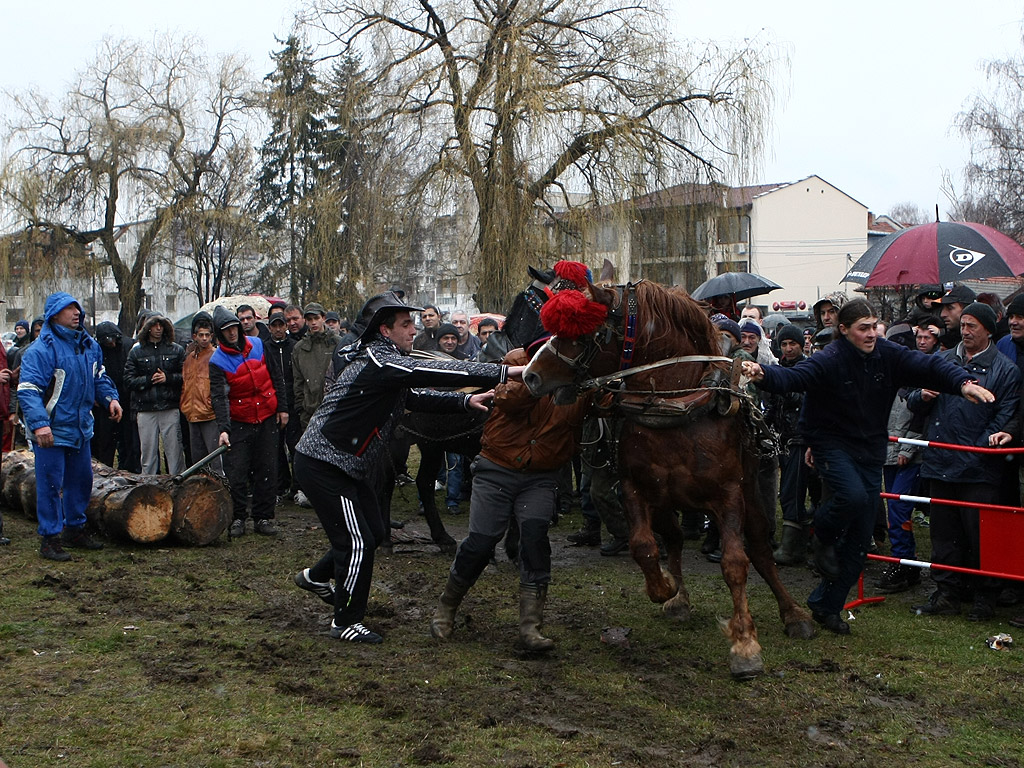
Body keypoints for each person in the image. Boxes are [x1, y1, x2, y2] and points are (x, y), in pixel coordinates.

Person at [741, 298, 994, 635]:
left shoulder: (888, 355)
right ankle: (823, 535)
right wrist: (762, 374)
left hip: (870, 447)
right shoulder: (830, 358)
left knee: (860, 541)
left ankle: (825, 606)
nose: (872, 333)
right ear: (843, 330)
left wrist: (963, 383)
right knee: (854, 496)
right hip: (830, 442)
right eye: (863, 328)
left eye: (874, 326)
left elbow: (929, 366)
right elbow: (795, 377)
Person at [292, 291, 524, 644]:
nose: (413, 329)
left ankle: (315, 578)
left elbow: (412, 397)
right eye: (405, 324)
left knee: (371, 530)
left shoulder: (388, 363)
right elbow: (438, 370)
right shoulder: (380, 360)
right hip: (323, 464)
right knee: (356, 542)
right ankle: (346, 621)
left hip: (345, 464)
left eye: (413, 323)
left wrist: (465, 399)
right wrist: (506, 372)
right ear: (385, 331)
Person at [430, 335, 590, 651]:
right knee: (482, 541)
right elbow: (507, 399)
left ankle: (531, 628)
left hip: (541, 476)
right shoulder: (516, 363)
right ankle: (446, 607)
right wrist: (545, 377)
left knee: (534, 538)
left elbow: (608, 404)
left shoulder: (584, 381)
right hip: (496, 469)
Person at [909, 302, 1020, 620]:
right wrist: (923, 396)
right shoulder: (942, 360)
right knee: (943, 532)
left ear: (987, 329)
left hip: (978, 466)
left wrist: (975, 449)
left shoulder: (1004, 370)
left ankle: (986, 596)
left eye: (972, 326)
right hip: (940, 459)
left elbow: (1005, 416)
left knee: (981, 534)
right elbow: (912, 400)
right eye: (964, 325)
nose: (966, 331)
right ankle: (947, 592)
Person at [17, 292, 122, 561]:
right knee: (50, 484)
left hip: (80, 428)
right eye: (69, 309)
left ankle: (74, 530)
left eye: (78, 308)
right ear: (54, 314)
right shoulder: (41, 350)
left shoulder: (88, 346)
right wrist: (40, 425)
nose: (77, 313)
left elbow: (100, 377)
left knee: (82, 481)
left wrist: (110, 399)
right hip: (51, 430)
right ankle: (50, 538)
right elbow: (28, 391)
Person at [209, 306, 288, 537]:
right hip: (239, 420)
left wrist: (282, 408)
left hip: (265, 416)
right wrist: (224, 429)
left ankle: (264, 517)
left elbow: (276, 377)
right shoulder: (217, 361)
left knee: (267, 469)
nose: (232, 333)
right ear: (220, 333)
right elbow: (219, 397)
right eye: (226, 330)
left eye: (233, 328)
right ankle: (238, 518)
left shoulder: (259, 345)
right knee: (237, 472)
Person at [765, 324, 811, 566]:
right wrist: (764, 423)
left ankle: (793, 548)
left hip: (801, 439)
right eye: (784, 344)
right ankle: (802, 542)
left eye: (792, 343)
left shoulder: (807, 368)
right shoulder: (779, 369)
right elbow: (773, 405)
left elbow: (806, 401)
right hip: (783, 437)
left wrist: (789, 390)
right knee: (791, 492)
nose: (788, 348)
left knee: (793, 493)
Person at [124, 314, 186, 476]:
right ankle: (148, 486)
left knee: (175, 452)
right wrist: (149, 380)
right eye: (154, 325)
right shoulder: (136, 351)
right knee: (148, 453)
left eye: (161, 325)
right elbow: (128, 380)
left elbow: (186, 376)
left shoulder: (176, 349)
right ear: (147, 328)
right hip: (145, 408)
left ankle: (178, 484)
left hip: (170, 406)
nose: (158, 329)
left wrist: (168, 378)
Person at [179, 312, 223, 477]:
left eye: (207, 335)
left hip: (209, 414)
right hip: (192, 413)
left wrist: (212, 403)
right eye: (201, 335)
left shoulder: (216, 355)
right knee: (198, 460)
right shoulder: (189, 358)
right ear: (194, 336)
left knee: (216, 458)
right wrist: (185, 404)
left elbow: (222, 385)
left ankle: (221, 489)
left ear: (212, 336)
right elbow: (185, 383)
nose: (204, 338)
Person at [89, 321, 135, 469]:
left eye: (114, 340)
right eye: (108, 341)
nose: (112, 344)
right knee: (105, 441)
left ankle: (128, 469)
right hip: (104, 403)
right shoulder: (97, 350)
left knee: (129, 441)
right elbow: (96, 376)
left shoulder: (128, 346)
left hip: (126, 399)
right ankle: (103, 468)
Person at [265, 311, 298, 497]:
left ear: (286, 326)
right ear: (270, 327)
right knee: (275, 448)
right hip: (273, 404)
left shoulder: (295, 347)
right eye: (274, 326)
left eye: (281, 325)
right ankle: (281, 485)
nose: (278, 329)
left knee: (295, 445)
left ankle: (297, 485)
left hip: (293, 402)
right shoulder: (264, 348)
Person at [292, 302, 339, 432]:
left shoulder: (337, 343)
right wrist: (301, 408)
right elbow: (298, 381)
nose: (313, 323)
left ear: (323, 318)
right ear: (305, 321)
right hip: (309, 411)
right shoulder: (300, 348)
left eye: (316, 318)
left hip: (334, 409)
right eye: (309, 319)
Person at [934, 283, 976, 350]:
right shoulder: (944, 343)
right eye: (942, 309)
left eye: (950, 308)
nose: (942, 314)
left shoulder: (982, 346)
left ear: (967, 309)